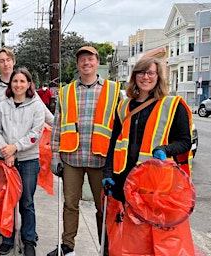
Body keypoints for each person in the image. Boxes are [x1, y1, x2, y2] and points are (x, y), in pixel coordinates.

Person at [103, 57, 192, 253]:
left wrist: (165, 150)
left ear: (158, 77)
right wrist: (108, 173)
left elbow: (185, 141)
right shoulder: (123, 106)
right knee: (131, 236)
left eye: (151, 73)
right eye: (141, 73)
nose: (146, 77)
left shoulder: (173, 105)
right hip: (125, 179)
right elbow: (114, 141)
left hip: (156, 184)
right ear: (134, 77)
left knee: (157, 236)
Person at [48, 46, 121, 256]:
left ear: (97, 62)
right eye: (82, 60)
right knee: (70, 205)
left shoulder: (114, 90)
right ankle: (67, 246)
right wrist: (55, 154)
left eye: (90, 59)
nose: (86, 63)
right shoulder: (66, 91)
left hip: (102, 159)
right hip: (72, 157)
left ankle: (106, 248)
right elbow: (58, 125)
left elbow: (122, 126)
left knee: (103, 208)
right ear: (78, 64)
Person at [0, 68, 45, 256]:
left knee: (26, 201)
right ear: (10, 84)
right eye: (15, 81)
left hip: (28, 160)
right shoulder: (2, 106)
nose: (18, 85)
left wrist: (15, 148)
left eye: (23, 81)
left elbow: (35, 134)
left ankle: (28, 239)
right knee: (7, 199)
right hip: (5, 160)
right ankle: (7, 237)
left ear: (29, 84)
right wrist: (6, 151)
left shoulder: (36, 106)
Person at [0, 48, 53, 163]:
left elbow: (43, 110)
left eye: (8, 60)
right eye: (2, 61)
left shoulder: (24, 86)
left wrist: (59, 126)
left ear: (13, 61)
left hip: (22, 140)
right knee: (1, 178)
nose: (6, 64)